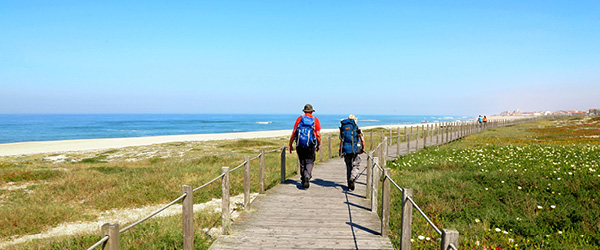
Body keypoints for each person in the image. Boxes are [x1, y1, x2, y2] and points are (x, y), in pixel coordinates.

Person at [289, 104, 321, 189]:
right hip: (310, 144)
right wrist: (319, 144)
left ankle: (303, 178)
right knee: (310, 161)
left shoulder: (299, 119)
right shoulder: (315, 120)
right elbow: (318, 134)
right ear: (311, 111)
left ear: (304, 111)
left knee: (302, 162)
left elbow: (294, 132)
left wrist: (290, 144)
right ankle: (307, 176)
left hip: (300, 144)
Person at [339, 114, 366, 191]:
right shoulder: (356, 128)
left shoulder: (343, 128)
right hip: (355, 150)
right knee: (356, 165)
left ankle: (349, 184)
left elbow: (341, 140)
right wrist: (362, 148)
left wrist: (340, 150)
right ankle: (352, 178)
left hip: (345, 149)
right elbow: (362, 140)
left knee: (348, 166)